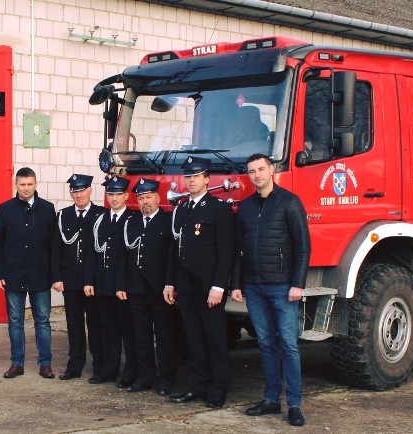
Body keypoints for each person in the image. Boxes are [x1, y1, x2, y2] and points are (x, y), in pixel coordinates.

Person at [230, 153, 311, 427]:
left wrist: (298, 284)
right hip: (254, 287)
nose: (257, 175)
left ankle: (295, 404)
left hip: (282, 286)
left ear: (272, 170)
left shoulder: (289, 202)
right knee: (265, 344)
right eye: (252, 171)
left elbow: (302, 245)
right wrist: (237, 285)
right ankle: (271, 399)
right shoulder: (246, 207)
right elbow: (238, 251)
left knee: (288, 345)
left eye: (261, 169)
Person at [165, 156, 235, 409]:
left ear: (207, 179)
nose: (191, 180)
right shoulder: (182, 209)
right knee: (193, 338)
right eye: (188, 176)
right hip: (186, 286)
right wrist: (169, 283)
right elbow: (176, 249)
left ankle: (218, 389)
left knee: (215, 338)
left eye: (196, 176)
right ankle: (198, 385)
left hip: (209, 287)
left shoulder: (219, 209)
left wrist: (219, 286)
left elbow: (227, 251)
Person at [0, 167, 57, 379]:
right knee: (15, 321)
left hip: (40, 275)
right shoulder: (5, 209)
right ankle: (17, 363)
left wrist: (54, 276)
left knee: (43, 321)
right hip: (13, 275)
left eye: (30, 184)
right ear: (16, 185)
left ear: (35, 184)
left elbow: (54, 246)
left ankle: (45, 363)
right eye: (22, 184)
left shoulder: (48, 209)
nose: (26, 189)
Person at [119, 178, 177, 395]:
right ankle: (145, 376)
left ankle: (166, 379)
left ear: (158, 198)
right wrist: (123, 284)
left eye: (149, 197)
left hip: (160, 290)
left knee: (164, 337)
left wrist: (170, 283)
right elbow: (126, 257)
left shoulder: (167, 221)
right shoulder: (131, 223)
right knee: (141, 337)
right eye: (141, 198)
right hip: (136, 289)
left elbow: (172, 257)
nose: (145, 202)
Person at [83, 176, 137, 387]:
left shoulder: (131, 220)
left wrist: (123, 285)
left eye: (118, 194)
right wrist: (89, 280)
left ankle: (129, 373)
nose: (114, 199)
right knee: (108, 330)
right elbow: (91, 253)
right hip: (102, 284)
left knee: (127, 331)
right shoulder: (100, 220)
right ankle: (108, 370)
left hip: (121, 287)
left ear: (126, 196)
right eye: (110, 194)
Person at [51, 174, 106, 381]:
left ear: (90, 191)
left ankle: (99, 366)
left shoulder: (101, 214)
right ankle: (74, 365)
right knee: (74, 325)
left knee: (95, 325)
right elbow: (56, 248)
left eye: (82, 190)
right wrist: (56, 277)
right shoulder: (63, 215)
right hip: (71, 279)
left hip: (92, 281)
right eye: (74, 191)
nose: (78, 194)